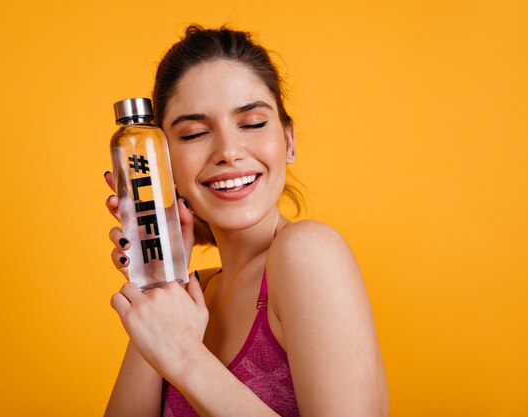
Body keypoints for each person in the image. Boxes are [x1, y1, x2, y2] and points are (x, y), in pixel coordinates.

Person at [103, 25, 388, 417]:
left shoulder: (307, 253)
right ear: (161, 162)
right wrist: (157, 277)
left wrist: (185, 356)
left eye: (252, 123)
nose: (228, 152)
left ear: (289, 141)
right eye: (195, 133)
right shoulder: (187, 294)